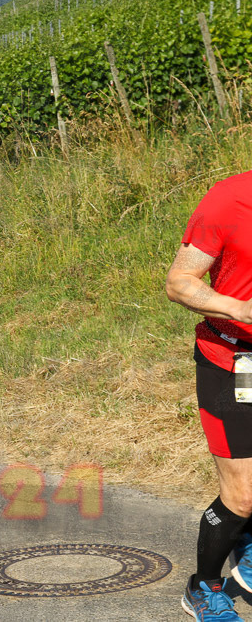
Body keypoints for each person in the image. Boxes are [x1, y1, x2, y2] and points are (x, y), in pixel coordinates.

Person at [166, 171, 252, 621]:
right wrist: (239, 308)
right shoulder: (230, 199)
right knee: (242, 495)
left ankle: (248, 545)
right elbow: (179, 282)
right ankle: (203, 586)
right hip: (233, 361)